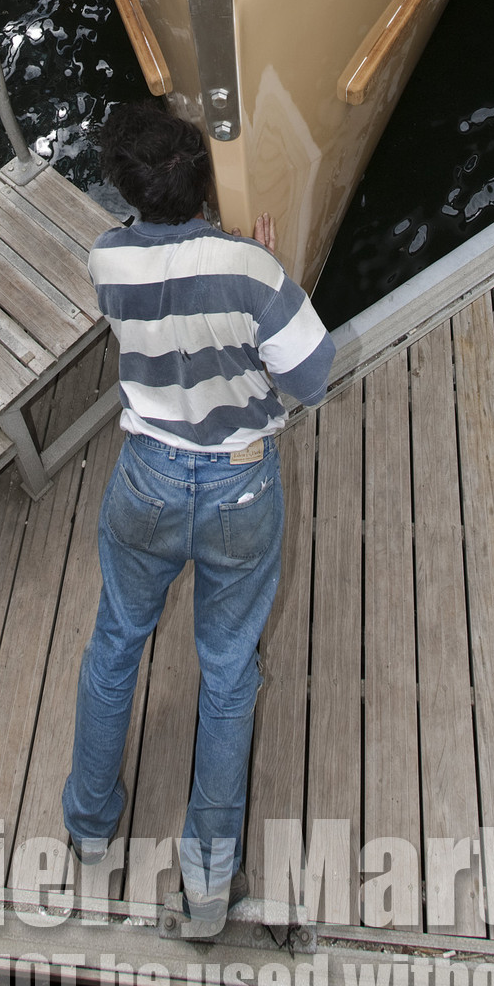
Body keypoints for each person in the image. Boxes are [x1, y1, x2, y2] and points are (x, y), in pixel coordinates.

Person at [62, 101, 334, 939]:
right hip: (239, 490)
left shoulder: (107, 260)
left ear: (128, 188)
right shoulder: (248, 267)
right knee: (227, 671)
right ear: (202, 178)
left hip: (145, 478)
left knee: (116, 642)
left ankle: (89, 823)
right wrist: (269, 268)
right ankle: (209, 887)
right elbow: (313, 376)